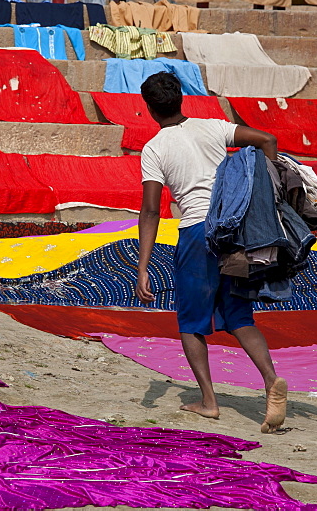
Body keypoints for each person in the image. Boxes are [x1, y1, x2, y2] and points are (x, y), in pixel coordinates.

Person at [134, 72, 288, 433]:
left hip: (196, 235)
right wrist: (268, 199)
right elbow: (268, 139)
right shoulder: (213, 127)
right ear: (180, 99)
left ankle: (209, 401)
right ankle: (270, 381)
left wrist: (143, 266)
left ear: (150, 109)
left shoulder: (155, 148)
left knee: (190, 323)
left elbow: (151, 210)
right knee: (239, 316)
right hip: (233, 232)